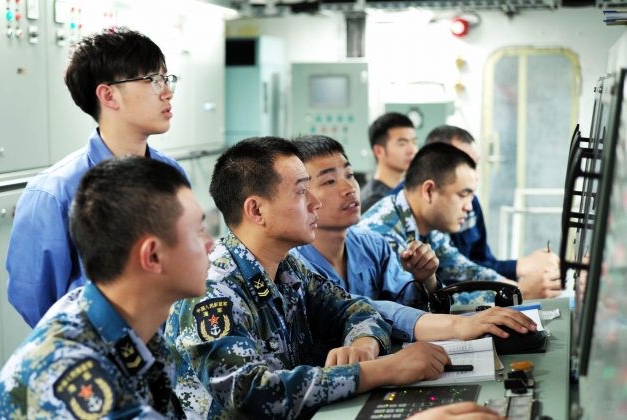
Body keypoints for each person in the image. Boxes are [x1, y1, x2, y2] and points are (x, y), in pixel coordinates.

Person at [165, 137, 454, 419]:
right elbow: (249, 396)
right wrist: (382, 370)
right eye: (302, 191)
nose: (315, 203)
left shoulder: (288, 268)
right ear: (256, 210)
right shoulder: (212, 290)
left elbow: (355, 308)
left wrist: (363, 342)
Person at [0, 157, 214, 418]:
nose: (210, 244)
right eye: (199, 231)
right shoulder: (68, 371)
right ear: (152, 256)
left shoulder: (134, 330)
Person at [6, 28, 187, 327]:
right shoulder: (55, 192)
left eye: (166, 79)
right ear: (108, 95)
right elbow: (36, 299)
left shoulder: (171, 174)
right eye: (153, 80)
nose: (166, 91)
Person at [291, 135, 536, 342]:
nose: (349, 188)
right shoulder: (293, 265)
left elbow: (413, 302)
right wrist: (458, 325)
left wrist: (426, 278)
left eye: (350, 174)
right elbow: (358, 309)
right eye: (329, 181)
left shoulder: (371, 245)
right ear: (301, 194)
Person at [358, 143, 511, 307]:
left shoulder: (423, 222)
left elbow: (461, 268)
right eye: (463, 195)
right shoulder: (384, 237)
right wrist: (505, 297)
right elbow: (419, 309)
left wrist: (509, 287)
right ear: (429, 191)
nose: (469, 207)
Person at [425, 125, 562, 299]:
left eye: (475, 164)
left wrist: (517, 286)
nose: (474, 175)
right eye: (465, 164)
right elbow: (434, 298)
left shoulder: (470, 203)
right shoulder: (396, 227)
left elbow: (466, 268)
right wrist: (519, 288)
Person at [360, 112, 417, 212]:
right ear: (379, 151)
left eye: (413, 142)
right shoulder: (374, 201)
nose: (412, 150)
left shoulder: (402, 191)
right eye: (402, 144)